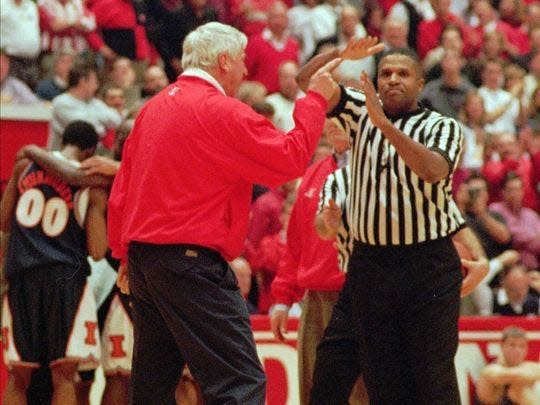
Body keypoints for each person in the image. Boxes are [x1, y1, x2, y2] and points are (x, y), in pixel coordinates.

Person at [107, 21, 342, 404]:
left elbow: (123, 190)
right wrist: (314, 99)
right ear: (222, 62)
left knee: (153, 388)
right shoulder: (221, 111)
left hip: (144, 262)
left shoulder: (151, 110)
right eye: (241, 61)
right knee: (240, 384)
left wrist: (123, 254)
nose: (246, 71)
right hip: (191, 264)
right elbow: (290, 159)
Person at [298, 44, 489, 403]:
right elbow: (306, 80)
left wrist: (384, 125)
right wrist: (341, 53)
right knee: (382, 377)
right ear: (375, 81)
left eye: (402, 74)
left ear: (420, 84)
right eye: (385, 74)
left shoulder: (442, 126)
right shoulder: (358, 111)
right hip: (370, 265)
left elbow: (433, 171)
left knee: (433, 375)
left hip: (427, 264)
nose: (393, 80)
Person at [1, 121, 108, 405]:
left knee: (18, 377)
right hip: (65, 280)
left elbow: (3, 220)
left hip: (22, 278)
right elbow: (99, 250)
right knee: (64, 376)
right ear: (90, 151)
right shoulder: (91, 185)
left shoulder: (24, 166)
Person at [270, 119, 368, 405]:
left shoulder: (376, 172)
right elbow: (296, 244)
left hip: (361, 295)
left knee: (364, 392)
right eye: (331, 118)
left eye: (344, 117)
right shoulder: (312, 175)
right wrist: (282, 298)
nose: (336, 124)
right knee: (315, 391)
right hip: (316, 299)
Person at [476, 326, 540, 405]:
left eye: (521, 346)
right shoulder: (490, 371)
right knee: (517, 388)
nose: (517, 351)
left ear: (526, 349)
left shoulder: (528, 368)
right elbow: (514, 375)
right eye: (512, 345)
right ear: (502, 346)